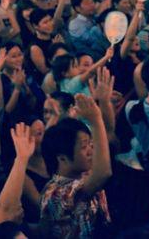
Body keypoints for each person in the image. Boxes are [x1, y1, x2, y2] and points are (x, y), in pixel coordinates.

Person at [40, 94, 113, 238]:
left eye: (91, 144)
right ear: (62, 158)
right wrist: (96, 121)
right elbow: (103, 173)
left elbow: (108, 138)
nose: (91, 150)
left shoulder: (81, 171)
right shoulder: (56, 192)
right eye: (84, 146)